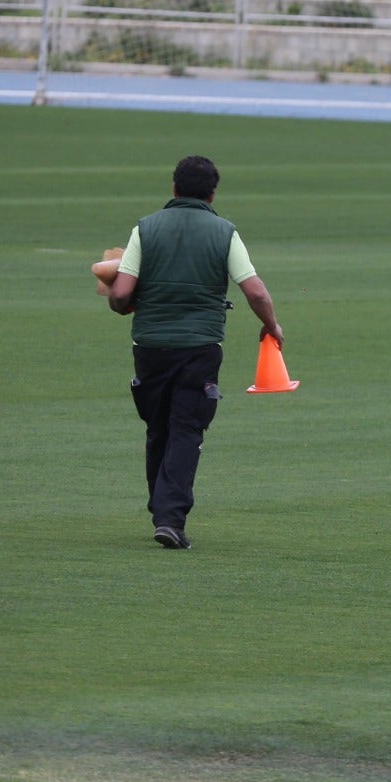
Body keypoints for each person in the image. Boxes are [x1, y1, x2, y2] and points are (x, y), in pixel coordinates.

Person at [107, 156, 283, 550]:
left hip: (150, 347)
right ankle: (170, 517)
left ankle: (162, 509)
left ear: (173, 189)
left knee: (158, 428)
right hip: (200, 348)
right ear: (212, 194)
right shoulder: (224, 232)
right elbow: (254, 291)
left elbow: (120, 294)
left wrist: (120, 305)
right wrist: (272, 326)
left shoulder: (145, 229)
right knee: (186, 429)